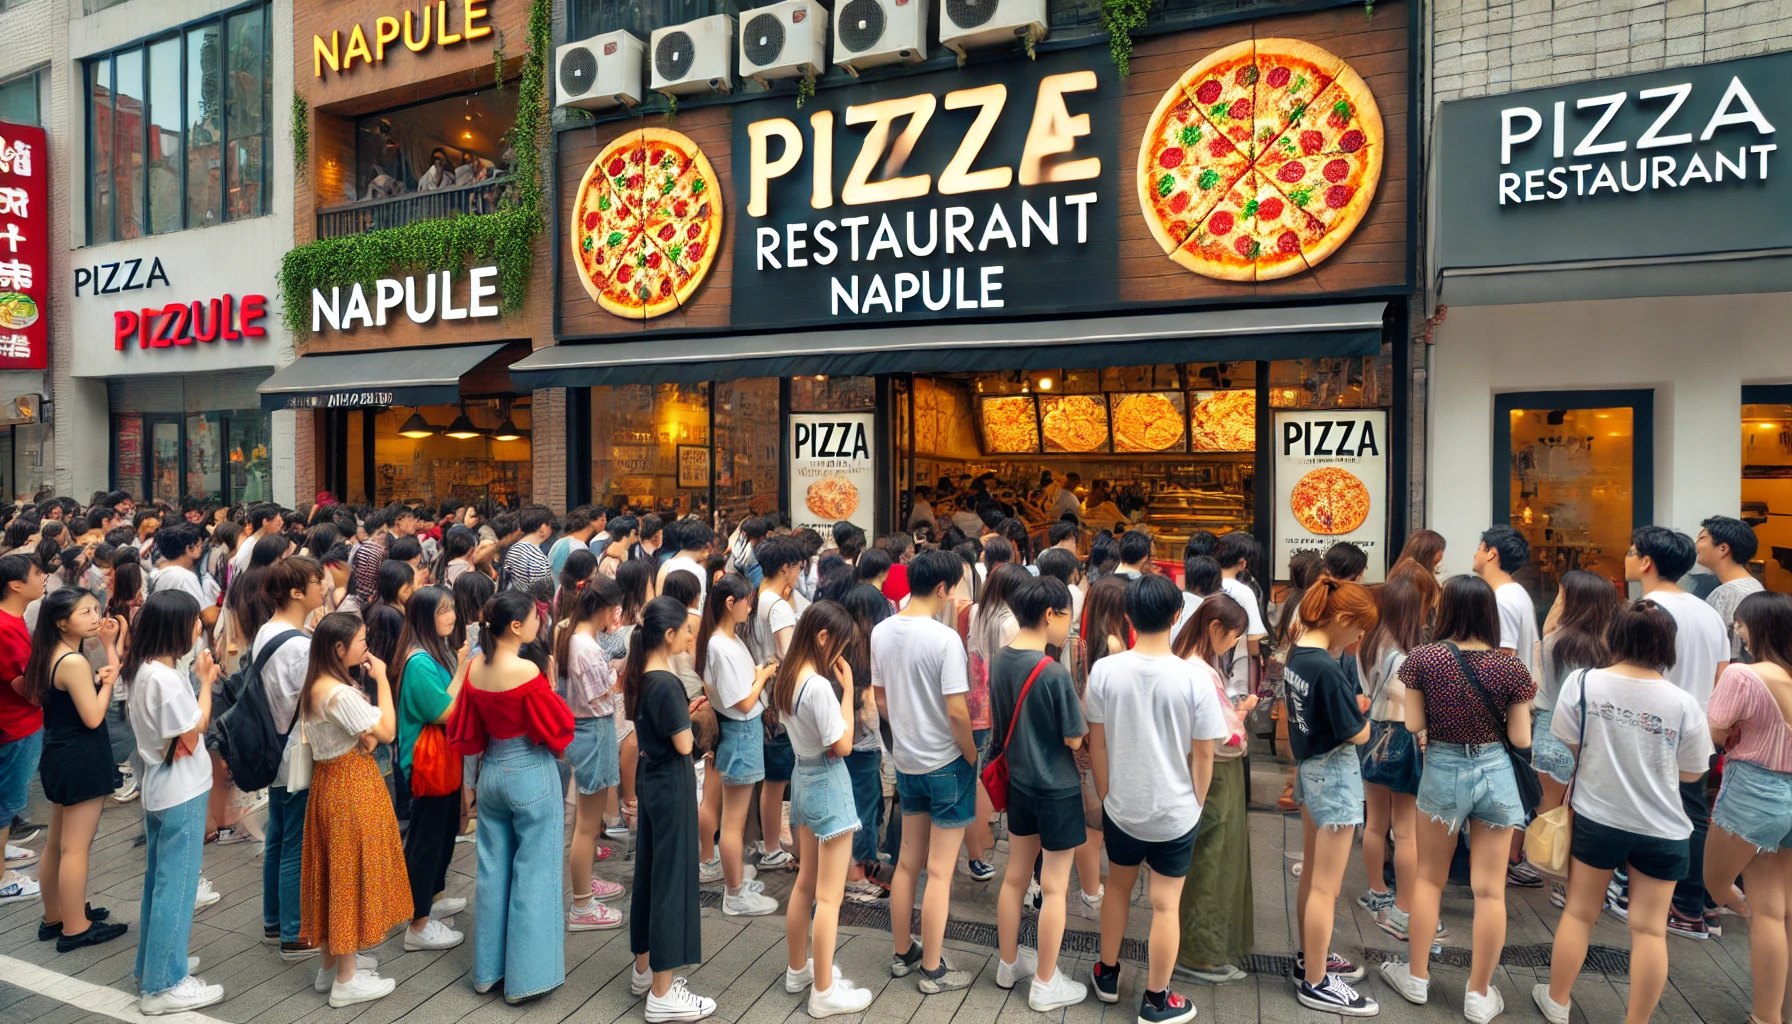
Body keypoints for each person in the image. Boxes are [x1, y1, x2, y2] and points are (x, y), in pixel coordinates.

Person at [1535, 600, 1715, 1024]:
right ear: (1667, 645)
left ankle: (1557, 1000)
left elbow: (1570, 743)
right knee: (1650, 930)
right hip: (1665, 829)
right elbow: (1693, 773)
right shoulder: (1684, 703)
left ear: (1613, 637)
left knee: (1580, 913)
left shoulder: (1583, 683)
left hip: (1598, 818)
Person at [1382, 575, 1536, 1023]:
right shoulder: (1510, 667)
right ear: (1489, 612)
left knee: (1428, 879)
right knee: (1490, 891)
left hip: (1443, 768)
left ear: (1445, 609)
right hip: (1495, 771)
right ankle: (1478, 993)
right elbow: (1521, 736)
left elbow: (1412, 725)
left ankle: (1415, 977)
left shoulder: (1423, 659)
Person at [1086, 575, 1227, 1024]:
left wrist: (1106, 795)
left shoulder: (1105, 670)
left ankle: (1107, 976)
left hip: (1122, 806)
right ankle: (1155, 1000)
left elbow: (1098, 743)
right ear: (1175, 617)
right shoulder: (1195, 678)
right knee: (1166, 904)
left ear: (1128, 617)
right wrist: (1196, 801)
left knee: (1119, 888)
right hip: (1176, 811)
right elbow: (1205, 751)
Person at [447, 590, 573, 1003]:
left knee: (493, 872)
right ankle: (527, 980)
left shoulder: (474, 666)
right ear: (515, 626)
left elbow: (465, 722)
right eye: (535, 617)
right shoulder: (525, 671)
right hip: (530, 772)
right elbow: (557, 727)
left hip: (493, 771)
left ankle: (487, 973)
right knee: (535, 874)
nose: (540, 622)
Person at [873, 549, 976, 991]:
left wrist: (905, 730)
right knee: (939, 871)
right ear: (943, 588)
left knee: (907, 863)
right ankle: (933, 969)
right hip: (948, 762)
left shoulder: (881, 631)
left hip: (908, 759)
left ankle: (903, 953)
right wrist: (972, 753)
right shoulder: (944, 639)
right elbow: (957, 711)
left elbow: (879, 698)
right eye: (955, 586)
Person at [297, 613, 408, 1008]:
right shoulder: (341, 693)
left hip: (328, 783)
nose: (366, 647)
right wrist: (381, 681)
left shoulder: (317, 685)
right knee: (348, 875)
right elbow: (387, 732)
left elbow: (367, 735)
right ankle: (347, 979)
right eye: (361, 641)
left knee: (332, 872)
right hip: (351, 787)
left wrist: (368, 734)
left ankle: (332, 966)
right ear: (339, 648)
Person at [990, 575, 1090, 1010]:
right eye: (1067, 617)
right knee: (1054, 887)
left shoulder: (1000, 659)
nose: (1069, 626)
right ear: (1050, 614)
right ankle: (1046, 983)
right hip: (1057, 788)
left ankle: (1008, 963)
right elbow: (1073, 739)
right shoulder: (1051, 672)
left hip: (1020, 784)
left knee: (1015, 876)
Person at [1281, 577, 1378, 1016]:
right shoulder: (1324, 666)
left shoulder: (1299, 653)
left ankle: (1310, 961)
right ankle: (1317, 981)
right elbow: (1356, 733)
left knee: (1312, 878)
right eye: (1359, 629)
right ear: (1341, 619)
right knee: (1327, 885)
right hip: (1334, 774)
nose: (1360, 638)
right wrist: (1367, 720)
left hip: (1309, 767)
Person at [774, 601, 876, 1017]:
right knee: (830, 898)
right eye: (839, 647)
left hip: (803, 776)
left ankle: (799, 969)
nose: (840, 656)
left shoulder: (786, 675)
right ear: (821, 637)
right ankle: (824, 991)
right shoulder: (816, 685)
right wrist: (849, 691)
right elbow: (844, 746)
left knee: (805, 886)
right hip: (827, 783)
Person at [1626, 525, 1728, 938]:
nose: (1628, 556)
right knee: (1692, 815)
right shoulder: (1708, 612)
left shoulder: (1647, 607)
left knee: (1645, 814)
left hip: (1651, 727)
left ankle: (1654, 900)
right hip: (1699, 730)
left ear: (1646, 562)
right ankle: (1691, 904)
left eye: (1633, 551)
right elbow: (1723, 680)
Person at [125, 591, 225, 1014]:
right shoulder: (164, 678)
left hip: (162, 789)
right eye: (192, 621)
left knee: (161, 884)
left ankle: (156, 966)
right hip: (179, 789)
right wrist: (205, 682)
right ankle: (163, 985)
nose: (198, 627)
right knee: (177, 888)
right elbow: (195, 728)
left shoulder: (147, 669)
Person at [622, 596, 716, 1022]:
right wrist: (694, 724)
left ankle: (645, 971)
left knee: (652, 873)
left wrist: (682, 714)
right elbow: (682, 744)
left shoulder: (644, 674)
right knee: (672, 881)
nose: (691, 636)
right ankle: (663, 992)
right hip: (671, 782)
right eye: (687, 630)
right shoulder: (666, 681)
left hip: (651, 780)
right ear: (669, 635)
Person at [1702, 591, 1792, 1024]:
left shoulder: (1745, 675)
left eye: (1740, 624)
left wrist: (1735, 727)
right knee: (1776, 910)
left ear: (1759, 627)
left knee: (1717, 882)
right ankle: (1770, 1016)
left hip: (1754, 791)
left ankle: (1749, 914)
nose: (1738, 631)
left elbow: (1715, 731)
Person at [29, 586, 126, 951]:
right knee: (75, 848)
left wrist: (108, 644)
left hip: (58, 753)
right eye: (86, 612)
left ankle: (56, 916)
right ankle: (75, 928)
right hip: (80, 757)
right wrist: (108, 684)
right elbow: (93, 715)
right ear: (61, 621)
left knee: (56, 844)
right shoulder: (72, 662)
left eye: (96, 609)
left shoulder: (50, 652)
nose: (95, 616)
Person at [1170, 595, 1255, 984]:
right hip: (1214, 776)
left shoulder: (1179, 659)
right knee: (1213, 862)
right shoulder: (1202, 671)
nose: (1233, 644)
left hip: (1188, 768)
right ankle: (1200, 953)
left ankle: (1193, 947)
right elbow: (1225, 739)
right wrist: (1240, 717)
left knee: (1201, 861)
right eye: (1233, 637)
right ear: (1216, 629)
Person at [254, 558, 326, 961]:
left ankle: (274, 921)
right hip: (297, 749)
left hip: (274, 747)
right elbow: (316, 699)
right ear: (297, 592)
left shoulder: (269, 629)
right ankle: (295, 933)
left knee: (279, 835)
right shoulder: (299, 645)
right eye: (317, 583)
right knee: (296, 841)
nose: (323, 588)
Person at [1354, 574, 1433, 943]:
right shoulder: (1410, 656)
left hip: (1372, 735)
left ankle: (1376, 893)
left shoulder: (1367, 645)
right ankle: (1403, 908)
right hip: (1402, 738)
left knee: (1374, 823)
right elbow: (1409, 706)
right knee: (1405, 830)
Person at [1532, 570, 1618, 905]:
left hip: (1551, 734)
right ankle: (1583, 882)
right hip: (1595, 740)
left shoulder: (1554, 641)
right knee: (1584, 816)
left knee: (1550, 815)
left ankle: (1555, 880)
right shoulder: (1609, 649)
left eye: (1562, 595)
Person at [392, 586, 470, 953]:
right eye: (443, 611)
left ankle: (433, 899)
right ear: (425, 617)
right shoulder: (420, 661)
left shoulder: (434, 652)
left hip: (442, 760)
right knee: (426, 841)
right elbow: (444, 711)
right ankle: (418, 924)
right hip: (426, 765)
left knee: (443, 835)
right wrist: (464, 667)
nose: (451, 616)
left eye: (452, 608)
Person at [694, 574, 778, 915]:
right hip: (740, 731)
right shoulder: (721, 644)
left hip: (739, 732)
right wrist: (763, 677)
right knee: (733, 823)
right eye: (747, 600)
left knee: (733, 819)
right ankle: (734, 894)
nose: (750, 606)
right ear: (731, 603)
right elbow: (743, 702)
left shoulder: (723, 640)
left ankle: (736, 882)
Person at [557, 575, 628, 930]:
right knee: (587, 827)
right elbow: (603, 694)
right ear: (603, 608)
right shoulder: (585, 646)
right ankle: (582, 904)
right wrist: (617, 670)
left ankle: (585, 886)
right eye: (615, 610)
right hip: (593, 731)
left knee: (588, 824)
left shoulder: (574, 636)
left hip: (586, 731)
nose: (616, 617)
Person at [964, 562, 1029, 881]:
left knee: (975, 776)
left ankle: (974, 852)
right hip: (994, 710)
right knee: (982, 782)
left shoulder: (978, 612)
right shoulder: (1010, 623)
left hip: (972, 705)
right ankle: (976, 855)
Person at [752, 535, 805, 871]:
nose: (798, 575)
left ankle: (767, 841)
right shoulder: (778, 606)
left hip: (759, 698)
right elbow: (788, 656)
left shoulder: (756, 598)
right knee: (777, 782)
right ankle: (773, 847)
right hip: (778, 704)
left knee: (769, 781)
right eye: (798, 568)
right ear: (785, 567)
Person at [836, 583, 891, 903]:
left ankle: (863, 862)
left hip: (841, 744)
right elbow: (871, 715)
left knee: (851, 809)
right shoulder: (870, 652)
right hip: (864, 747)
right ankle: (856, 876)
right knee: (863, 810)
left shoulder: (839, 649)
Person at [1697, 515, 1763, 661]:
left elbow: (1726, 655)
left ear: (1723, 548)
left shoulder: (1728, 593)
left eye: (1701, 538)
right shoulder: (1753, 585)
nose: (1696, 544)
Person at [505, 506, 557, 594]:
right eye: (550, 526)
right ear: (543, 528)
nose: (551, 530)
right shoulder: (535, 557)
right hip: (528, 604)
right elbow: (541, 594)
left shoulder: (514, 549)